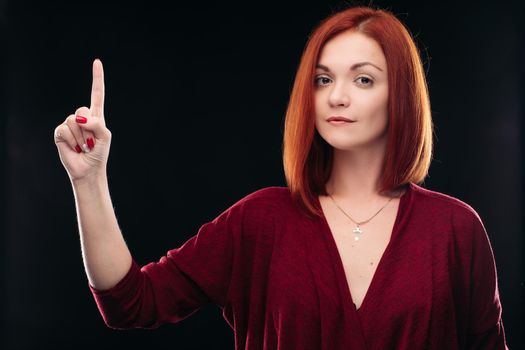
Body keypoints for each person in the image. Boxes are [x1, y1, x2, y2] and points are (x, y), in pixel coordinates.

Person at [53, 5, 509, 350]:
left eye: (364, 80)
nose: (338, 97)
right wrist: (89, 182)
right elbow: (132, 302)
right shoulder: (261, 221)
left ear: (402, 96)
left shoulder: (454, 229)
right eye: (323, 79)